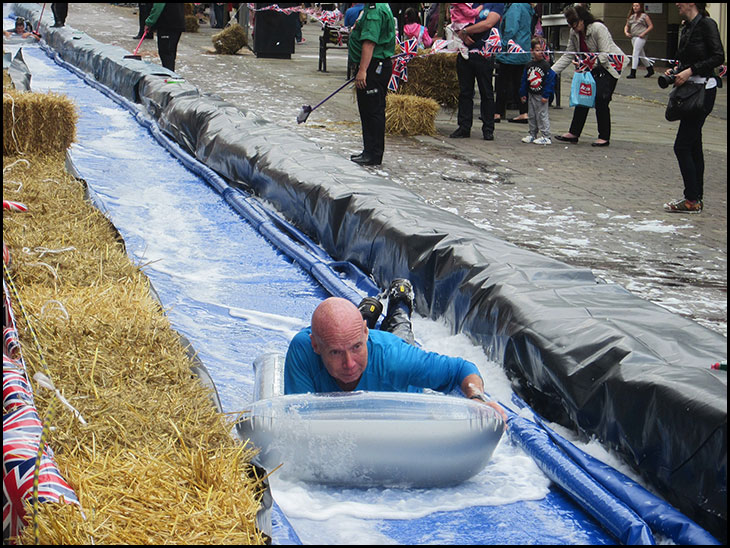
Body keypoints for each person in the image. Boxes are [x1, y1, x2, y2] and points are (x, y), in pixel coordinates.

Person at [284, 280, 507, 421]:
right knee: (349, 339)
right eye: (335, 353)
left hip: (390, 352)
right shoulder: (304, 350)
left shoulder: (395, 357)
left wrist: (477, 398)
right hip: (364, 337)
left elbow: (460, 369)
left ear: (364, 334)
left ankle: (400, 303)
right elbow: (300, 423)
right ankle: (367, 313)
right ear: (316, 346)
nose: (349, 364)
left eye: (356, 347)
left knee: (400, 331)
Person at [663, 2, 724, 214]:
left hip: (703, 91)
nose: (677, 4)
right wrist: (677, 70)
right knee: (693, 144)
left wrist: (690, 71)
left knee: (682, 146)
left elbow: (718, 57)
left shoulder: (707, 24)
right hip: (690, 90)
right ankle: (695, 197)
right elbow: (687, 59)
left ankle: (691, 199)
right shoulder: (686, 26)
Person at [552, 4, 624, 147]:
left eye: (575, 23)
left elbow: (604, 53)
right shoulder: (574, 33)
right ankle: (574, 132)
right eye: (570, 24)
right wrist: (552, 72)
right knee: (583, 96)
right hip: (590, 67)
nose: (573, 27)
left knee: (601, 99)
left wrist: (589, 63)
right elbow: (569, 54)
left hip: (609, 67)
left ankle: (604, 136)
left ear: (582, 19)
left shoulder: (598, 28)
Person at [347, 3, 396, 167]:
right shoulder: (377, 6)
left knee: (372, 111)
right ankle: (369, 150)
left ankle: (372, 154)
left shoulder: (374, 11)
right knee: (369, 110)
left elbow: (369, 42)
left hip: (374, 66)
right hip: (375, 65)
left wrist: (362, 70)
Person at [448, 3, 505, 141]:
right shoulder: (469, 3)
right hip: (465, 51)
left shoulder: (496, 4)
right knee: (465, 92)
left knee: (486, 92)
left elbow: (488, 23)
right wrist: (461, 34)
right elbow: (456, 21)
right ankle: (464, 126)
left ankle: (488, 128)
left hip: (484, 53)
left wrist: (466, 31)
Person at [494, 2, 533, 124]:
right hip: (522, 50)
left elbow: (511, 28)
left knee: (502, 83)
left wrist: (503, 45)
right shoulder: (526, 7)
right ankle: (523, 112)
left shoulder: (515, 7)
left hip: (511, 52)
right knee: (518, 83)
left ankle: (497, 113)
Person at [519, 36, 555, 145]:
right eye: (537, 50)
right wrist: (523, 93)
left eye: (542, 50)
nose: (540, 52)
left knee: (542, 115)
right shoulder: (529, 65)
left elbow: (550, 81)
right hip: (531, 93)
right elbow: (525, 80)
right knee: (532, 115)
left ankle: (546, 135)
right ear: (532, 51)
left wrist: (546, 95)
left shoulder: (546, 65)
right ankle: (532, 134)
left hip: (541, 95)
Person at [144, 3, 186, 72]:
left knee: (166, 53)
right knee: (171, 52)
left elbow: (158, 7)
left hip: (167, 24)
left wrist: (149, 22)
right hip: (178, 22)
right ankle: (171, 74)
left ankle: (169, 75)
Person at [624, 3, 654, 79]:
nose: (635, 7)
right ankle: (650, 69)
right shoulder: (631, 17)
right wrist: (626, 32)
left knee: (635, 53)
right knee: (641, 54)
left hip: (641, 37)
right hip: (633, 36)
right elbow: (627, 25)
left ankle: (633, 72)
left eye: (637, 6)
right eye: (634, 6)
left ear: (640, 7)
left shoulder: (644, 16)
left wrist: (644, 33)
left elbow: (650, 26)